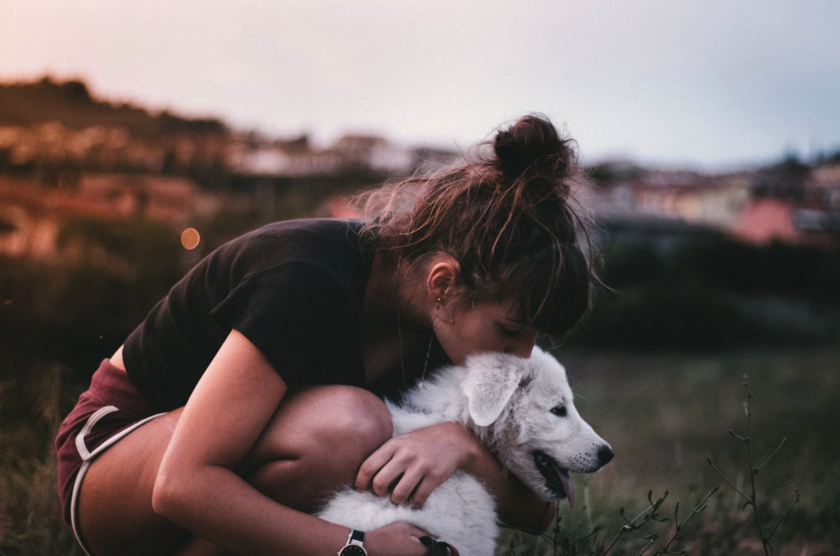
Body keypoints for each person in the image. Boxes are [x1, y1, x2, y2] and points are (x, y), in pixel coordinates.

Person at [55, 114, 594, 556]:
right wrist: (358, 547)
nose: (522, 357)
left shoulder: (444, 328)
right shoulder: (307, 276)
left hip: (201, 485)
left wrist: (460, 447)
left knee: (359, 432)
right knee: (350, 426)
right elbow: (180, 485)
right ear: (443, 283)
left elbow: (538, 511)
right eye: (511, 330)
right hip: (113, 470)